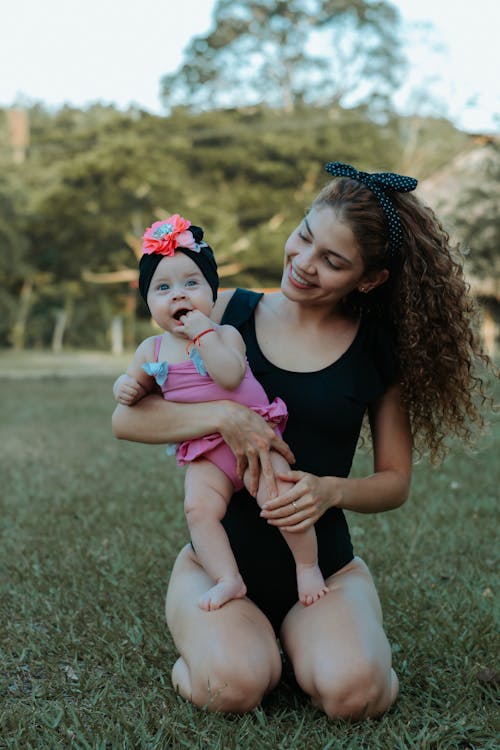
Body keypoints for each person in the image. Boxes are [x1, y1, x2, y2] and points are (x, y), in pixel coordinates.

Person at [112, 162, 493, 719]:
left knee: (353, 694)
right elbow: (127, 420)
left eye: (333, 261)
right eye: (305, 237)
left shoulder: (376, 352)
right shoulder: (222, 310)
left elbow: (394, 483)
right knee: (231, 689)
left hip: (323, 569)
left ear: (370, 280)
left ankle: (314, 638)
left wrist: (328, 491)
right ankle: (232, 641)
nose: (305, 264)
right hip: (219, 567)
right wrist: (225, 416)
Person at [113, 214, 330, 612]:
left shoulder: (225, 334)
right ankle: (227, 578)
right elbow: (134, 392)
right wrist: (123, 386)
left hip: (254, 438)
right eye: (163, 288)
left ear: (212, 294)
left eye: (191, 283)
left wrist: (204, 335)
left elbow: (229, 376)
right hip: (205, 451)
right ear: (148, 303)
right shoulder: (151, 350)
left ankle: (307, 566)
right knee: (198, 510)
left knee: (280, 498)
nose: (178, 295)